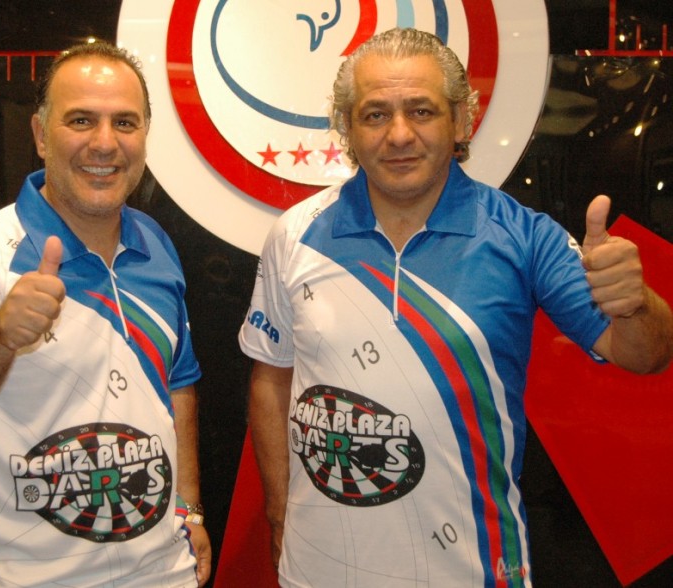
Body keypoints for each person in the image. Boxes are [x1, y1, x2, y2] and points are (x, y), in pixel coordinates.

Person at [238, 27, 672, 587]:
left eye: (421, 111)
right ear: (347, 127)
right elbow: (272, 380)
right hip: (319, 568)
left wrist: (634, 306)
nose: (399, 135)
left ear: (461, 120)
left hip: (472, 568)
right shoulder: (294, 233)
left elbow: (645, 355)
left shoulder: (524, 235)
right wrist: (279, 513)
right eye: (375, 114)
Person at [0, 42, 211, 587]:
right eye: (81, 120)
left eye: (124, 122)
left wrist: (189, 508)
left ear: (145, 135)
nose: (104, 143)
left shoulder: (156, 245)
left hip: (163, 574)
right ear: (41, 135)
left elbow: (177, 385)